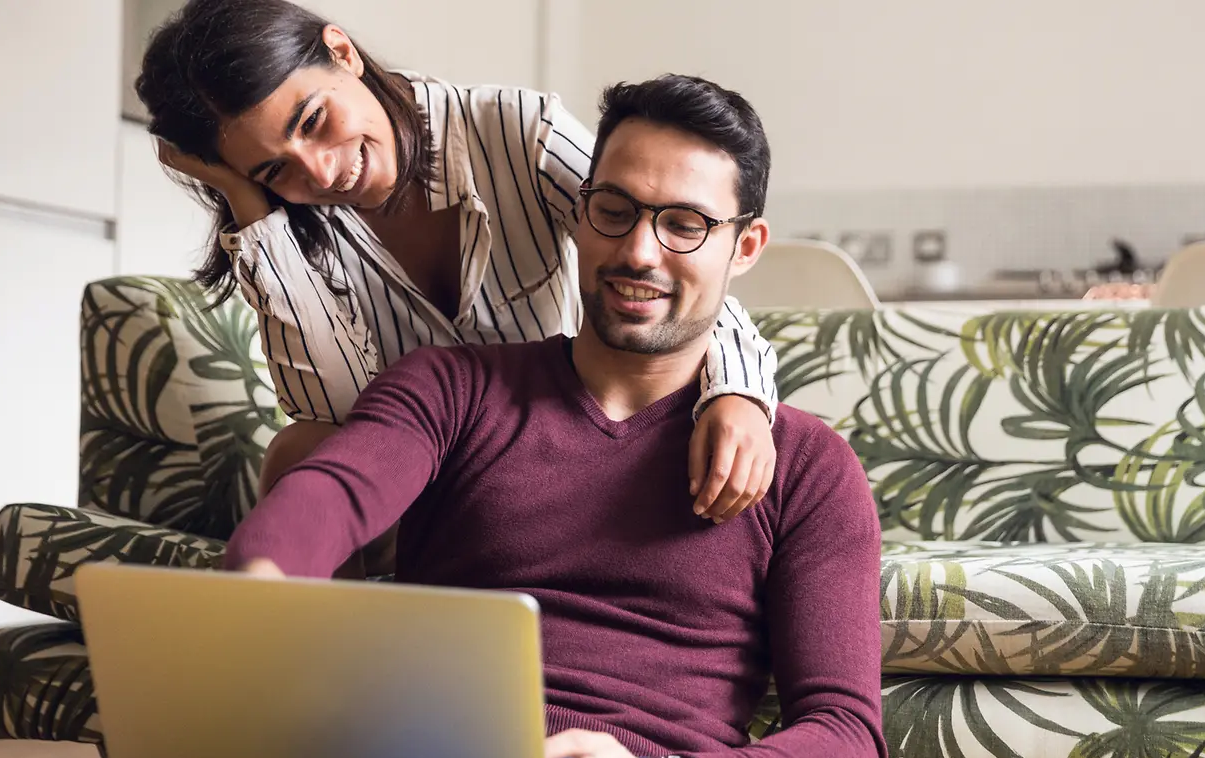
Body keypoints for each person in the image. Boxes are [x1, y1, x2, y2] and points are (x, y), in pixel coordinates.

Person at [226, 74, 886, 758]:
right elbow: (334, 494)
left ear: (746, 247)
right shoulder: (453, 390)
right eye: (615, 211)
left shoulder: (807, 467)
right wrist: (255, 587)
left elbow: (844, 743)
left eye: (686, 225)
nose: (639, 252)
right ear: (579, 215)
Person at [134, 0, 779, 534]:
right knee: (299, 452)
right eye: (274, 168)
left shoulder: (517, 133)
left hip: (565, 446)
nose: (323, 172)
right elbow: (333, 416)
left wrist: (740, 393)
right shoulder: (287, 227)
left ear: (342, 52)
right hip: (424, 479)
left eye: (314, 120)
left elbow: (666, 254)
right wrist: (252, 206)